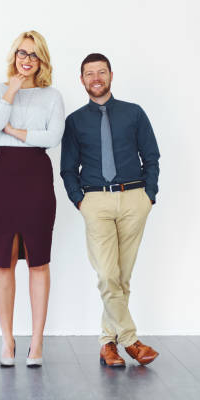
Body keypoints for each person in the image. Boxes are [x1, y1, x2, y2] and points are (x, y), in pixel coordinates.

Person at [61, 53, 160, 367]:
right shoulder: (75, 121)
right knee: (107, 275)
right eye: (89, 73)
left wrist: (149, 195)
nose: (96, 78)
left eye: (101, 72)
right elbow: (67, 169)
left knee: (121, 278)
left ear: (111, 75)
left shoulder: (134, 113)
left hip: (134, 198)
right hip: (96, 201)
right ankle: (130, 340)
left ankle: (107, 345)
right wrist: (80, 200)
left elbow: (152, 157)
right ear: (82, 80)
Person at [0, 30, 64, 367]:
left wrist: (14, 132)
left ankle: (37, 341)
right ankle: (7, 340)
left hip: (36, 179)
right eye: (21, 53)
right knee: (3, 262)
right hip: (1, 179)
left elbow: (53, 136)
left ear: (41, 59)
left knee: (38, 261)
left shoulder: (52, 95)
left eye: (33, 54)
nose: (26, 60)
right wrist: (11, 93)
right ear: (14, 56)